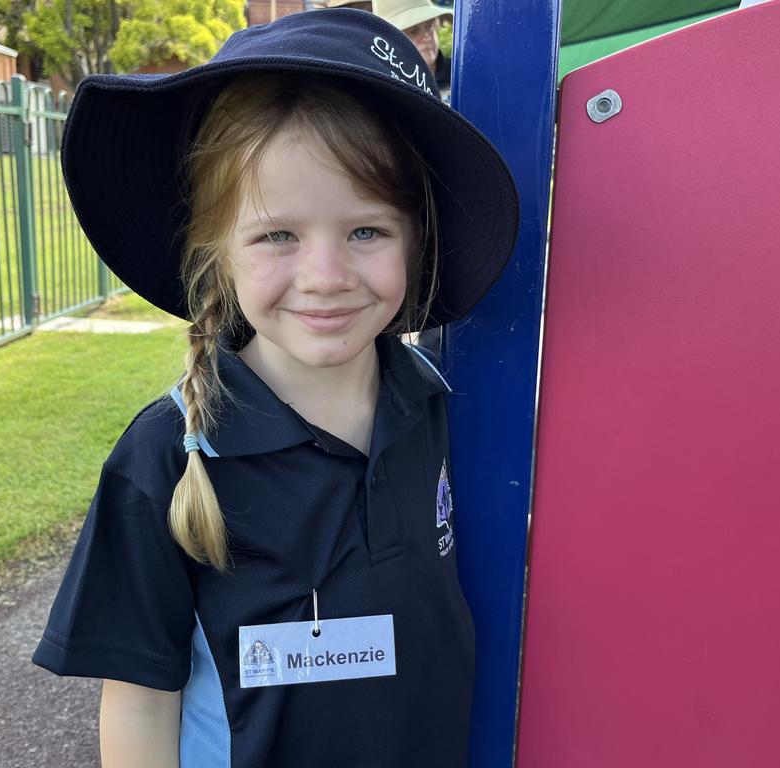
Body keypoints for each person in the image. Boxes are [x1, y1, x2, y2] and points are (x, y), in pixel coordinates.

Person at [31, 9, 518, 767]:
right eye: (277, 236)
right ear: (216, 248)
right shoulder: (165, 456)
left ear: (417, 239)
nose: (326, 277)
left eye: (366, 231)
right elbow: (137, 701)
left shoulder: (432, 403)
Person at [374, 0, 452, 94]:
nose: (427, 36)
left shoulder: (458, 75)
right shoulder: (380, 86)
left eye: (429, 26)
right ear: (389, 40)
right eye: (413, 31)